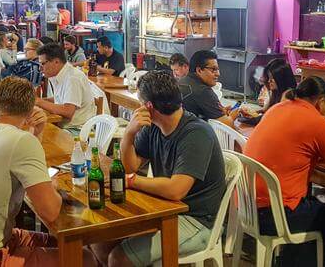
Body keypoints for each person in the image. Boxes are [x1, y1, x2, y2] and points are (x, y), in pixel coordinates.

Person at [0, 77, 96, 267]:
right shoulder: (21, 141)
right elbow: (50, 212)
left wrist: (36, 133)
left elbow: (19, 161)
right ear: (31, 108)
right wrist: (52, 189)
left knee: (66, 243)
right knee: (86, 259)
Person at [91, 70, 226, 267]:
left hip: (197, 220)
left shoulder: (196, 133)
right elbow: (131, 166)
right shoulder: (153, 126)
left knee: (119, 259)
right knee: (99, 242)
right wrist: (129, 133)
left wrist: (131, 181)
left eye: (139, 102)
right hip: (164, 209)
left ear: (148, 106)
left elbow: (175, 190)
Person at [244, 76, 325, 265]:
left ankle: (290, 261)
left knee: (315, 208)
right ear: (322, 101)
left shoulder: (277, 109)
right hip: (276, 214)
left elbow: (297, 148)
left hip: (247, 205)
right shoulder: (319, 123)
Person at [35, 43, 96, 128]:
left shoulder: (73, 78)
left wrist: (38, 101)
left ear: (56, 62)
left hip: (77, 129)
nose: (40, 68)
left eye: (43, 64)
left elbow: (68, 111)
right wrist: (38, 101)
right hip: (65, 125)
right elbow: (61, 99)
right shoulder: (60, 74)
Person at [178, 50, 239, 129]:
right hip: (190, 135)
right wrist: (234, 114)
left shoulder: (183, 81)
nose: (218, 74)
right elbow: (226, 125)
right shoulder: (203, 91)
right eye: (213, 69)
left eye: (217, 69)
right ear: (199, 70)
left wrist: (217, 111)